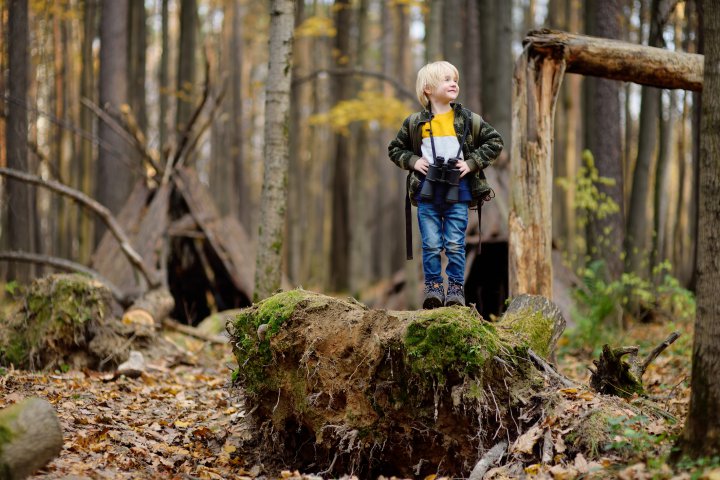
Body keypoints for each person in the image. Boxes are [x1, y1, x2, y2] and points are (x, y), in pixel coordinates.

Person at [388, 61, 503, 309]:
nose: (453, 83)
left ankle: (455, 290)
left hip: (458, 191)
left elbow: (495, 141)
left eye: (455, 79)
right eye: (446, 79)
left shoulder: (467, 119)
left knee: (454, 243)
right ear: (428, 89)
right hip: (427, 192)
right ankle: (433, 289)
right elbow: (394, 149)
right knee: (430, 244)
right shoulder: (415, 123)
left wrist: (472, 163)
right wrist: (413, 161)